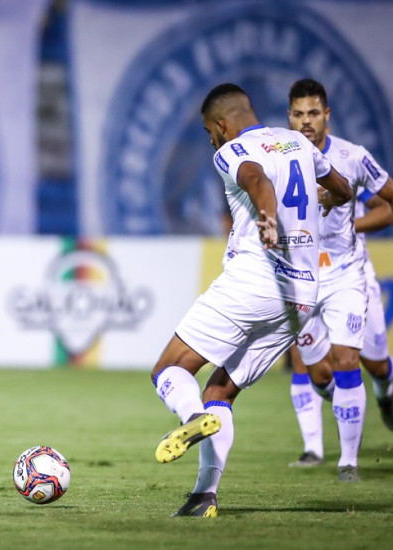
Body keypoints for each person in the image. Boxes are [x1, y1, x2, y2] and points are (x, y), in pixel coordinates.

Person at [150, 83, 352, 517]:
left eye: (209, 131)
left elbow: (256, 178)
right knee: (219, 390)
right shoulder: (299, 140)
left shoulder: (231, 151)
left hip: (256, 280)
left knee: (169, 368)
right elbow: (343, 187)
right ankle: (204, 497)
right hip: (302, 296)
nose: (211, 140)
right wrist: (327, 198)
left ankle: (190, 419)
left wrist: (266, 217)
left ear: (222, 125)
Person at [285, 79, 393, 477]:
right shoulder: (279, 157)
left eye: (314, 113)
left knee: (361, 360)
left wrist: (355, 222)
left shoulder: (353, 157)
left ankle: (349, 459)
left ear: (327, 115)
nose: (306, 122)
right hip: (301, 275)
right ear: (290, 116)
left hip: (346, 273)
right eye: (299, 114)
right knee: (317, 372)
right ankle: (338, 421)